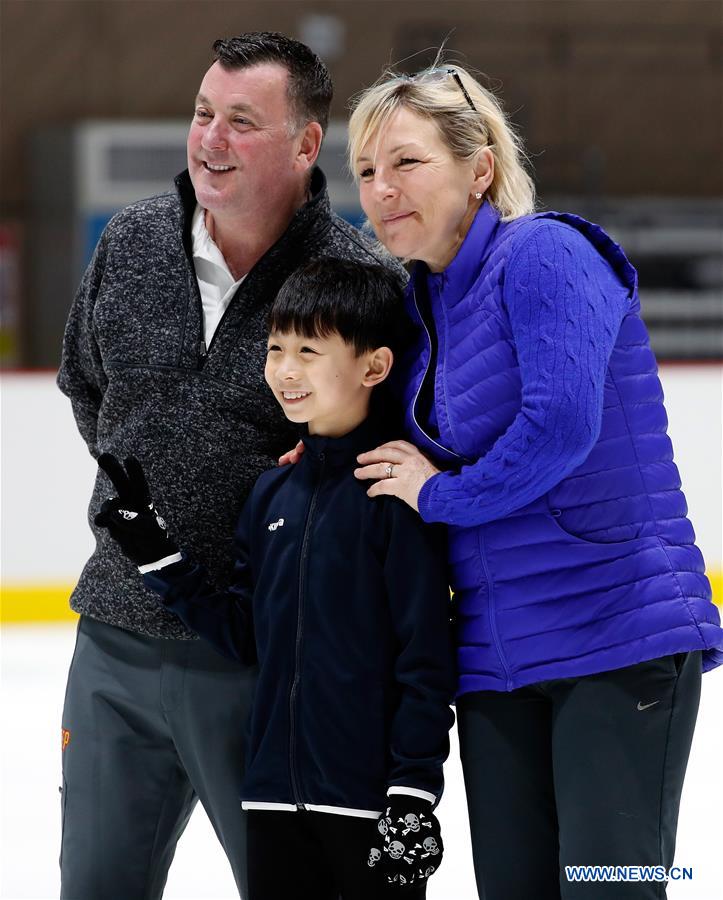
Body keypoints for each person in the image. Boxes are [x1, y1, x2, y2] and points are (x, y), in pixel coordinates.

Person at [343, 63, 723, 899]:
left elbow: (558, 427)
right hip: (492, 660)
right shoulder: (418, 306)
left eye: (405, 163)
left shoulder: (546, 253)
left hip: (614, 637)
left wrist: (439, 495)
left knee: (609, 888)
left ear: (479, 168)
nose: (379, 189)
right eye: (364, 171)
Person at [56, 32, 403, 900]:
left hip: (271, 661)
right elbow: (89, 391)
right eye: (203, 113)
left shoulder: (358, 278)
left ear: (304, 144)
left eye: (241, 121)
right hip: (116, 638)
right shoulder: (132, 240)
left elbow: (387, 443)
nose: (209, 138)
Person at [93, 259, 456, 900]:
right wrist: (154, 551)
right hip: (270, 801)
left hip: (370, 807)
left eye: (309, 351)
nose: (285, 370)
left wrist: (413, 795)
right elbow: (244, 632)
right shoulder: (271, 493)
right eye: (275, 348)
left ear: (374, 367)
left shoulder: (396, 496)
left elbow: (424, 659)